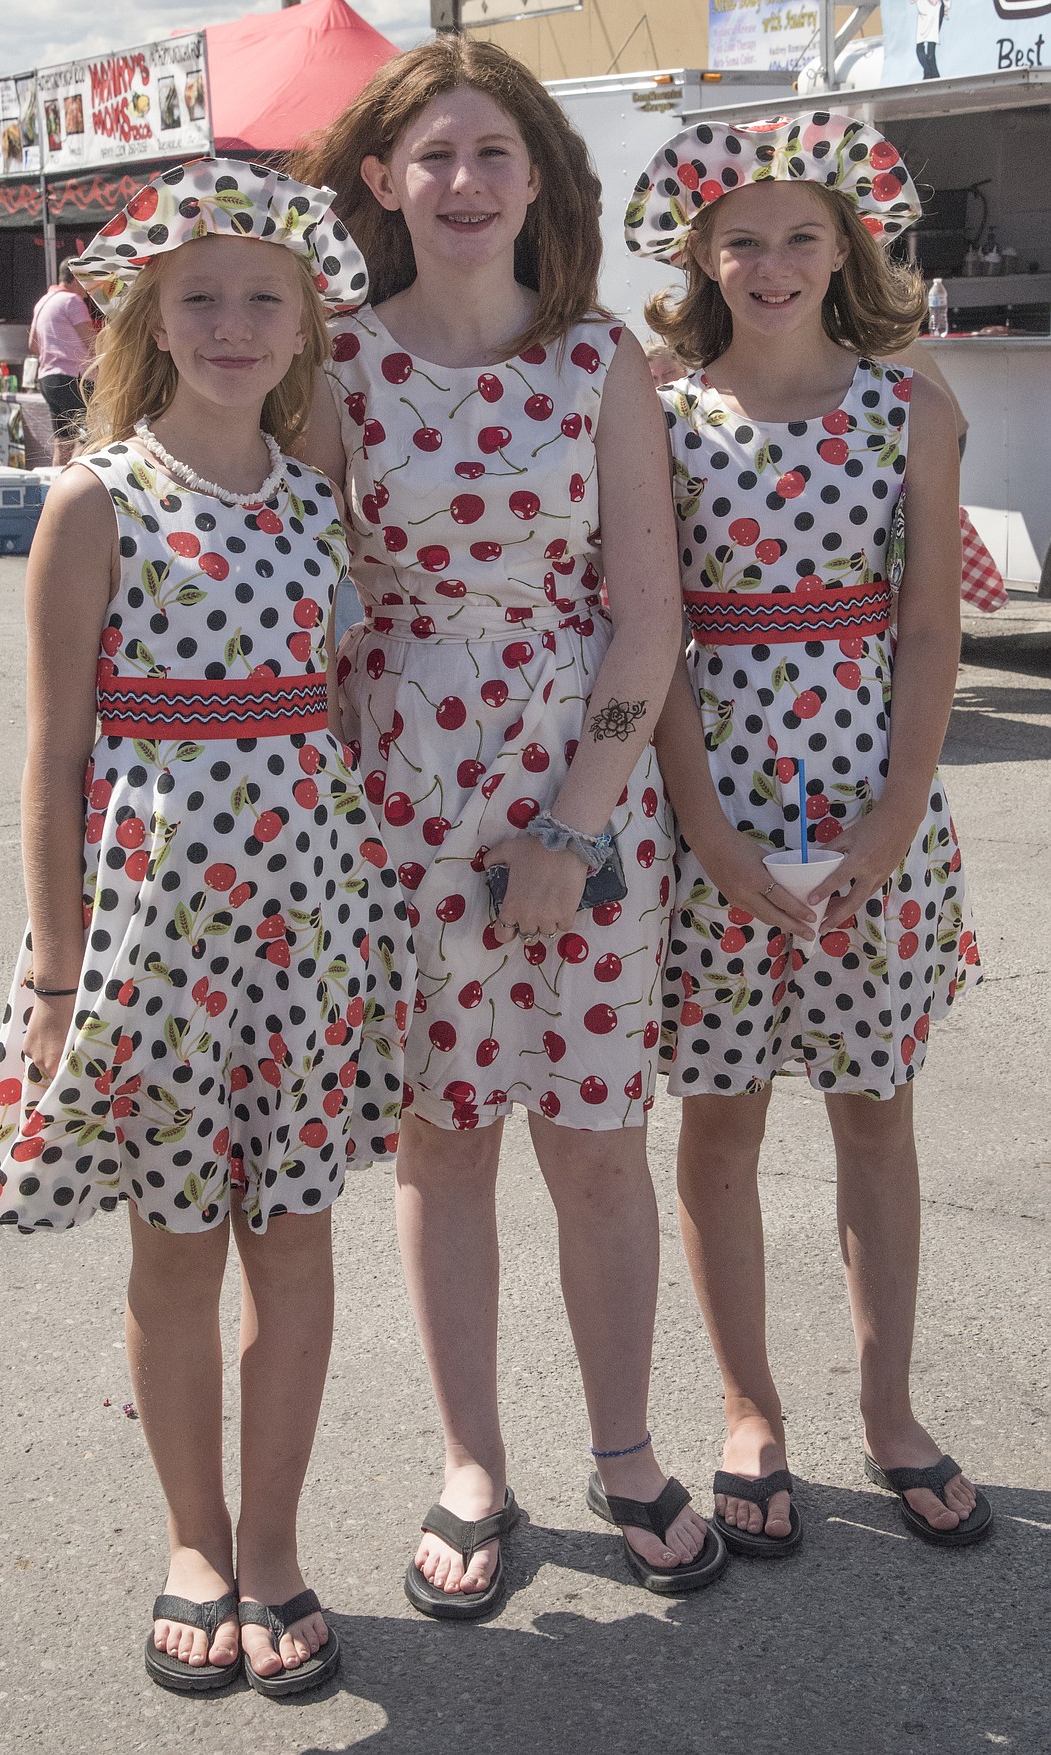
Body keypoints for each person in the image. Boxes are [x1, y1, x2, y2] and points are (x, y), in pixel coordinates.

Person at [0, 158, 412, 1697]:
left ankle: (274, 1544)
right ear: (149, 311)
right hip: (156, 944)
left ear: (304, 327)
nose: (229, 322)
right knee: (174, 1256)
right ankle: (194, 1542)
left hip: (303, 935)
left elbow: (338, 705)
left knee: (293, 1246)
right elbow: (56, 752)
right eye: (199, 296)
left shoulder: (313, 508)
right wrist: (61, 963)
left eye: (260, 300)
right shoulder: (95, 497)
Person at [295, 36, 727, 1614]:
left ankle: (623, 1446)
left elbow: (645, 614)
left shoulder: (596, 359)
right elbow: (315, 609)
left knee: (601, 1143)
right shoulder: (327, 362)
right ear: (379, 183)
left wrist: (574, 823)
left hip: (579, 785)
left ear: (536, 177)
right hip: (397, 799)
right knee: (444, 1143)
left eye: (493, 152)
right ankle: (472, 1458)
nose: (464, 182)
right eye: (433, 156)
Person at [629, 112, 990, 1556]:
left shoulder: (912, 404)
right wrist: (702, 826)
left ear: (847, 241)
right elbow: (646, 634)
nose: (769, 262)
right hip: (706, 820)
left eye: (798, 233)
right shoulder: (655, 412)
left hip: (871, 819)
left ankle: (887, 1405)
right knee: (717, 1123)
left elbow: (924, 617)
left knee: (873, 1116)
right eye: (740, 237)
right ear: (699, 254)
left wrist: (897, 808)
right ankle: (745, 1406)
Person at [27, 257, 98, 464]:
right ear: (76, 277)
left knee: (63, 440)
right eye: (87, 278)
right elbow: (91, 341)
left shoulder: (43, 302)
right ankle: (75, 486)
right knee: (89, 437)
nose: (90, 287)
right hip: (71, 377)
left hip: (48, 379)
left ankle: (54, 489)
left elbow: (33, 345)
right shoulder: (71, 301)